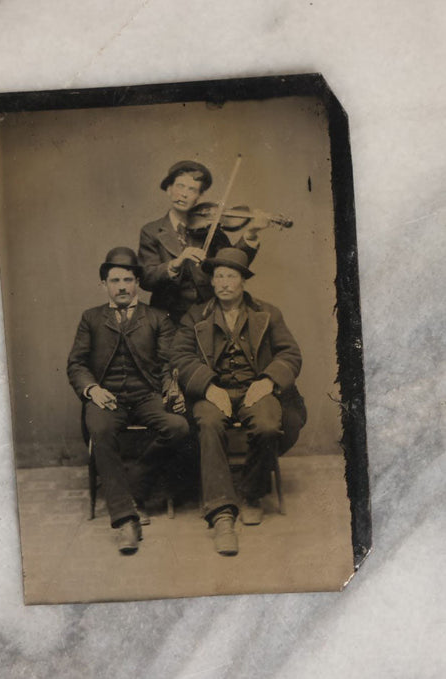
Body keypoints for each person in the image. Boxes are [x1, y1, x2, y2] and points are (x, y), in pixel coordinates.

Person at [170, 248, 306, 556]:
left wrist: (268, 381)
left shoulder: (268, 313)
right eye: (218, 276)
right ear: (213, 281)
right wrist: (207, 386)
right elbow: (179, 356)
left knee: (269, 425)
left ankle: (252, 493)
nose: (224, 283)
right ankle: (221, 513)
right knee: (207, 424)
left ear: (243, 280)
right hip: (213, 391)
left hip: (254, 388)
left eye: (231, 276)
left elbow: (290, 353)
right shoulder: (196, 315)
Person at [67, 247, 189, 554]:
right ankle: (125, 520)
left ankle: (133, 483)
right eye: (115, 280)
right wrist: (92, 389)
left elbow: (168, 363)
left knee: (178, 427)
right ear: (104, 284)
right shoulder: (91, 318)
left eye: (128, 280)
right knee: (101, 429)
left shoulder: (158, 318)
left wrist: (171, 388)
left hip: (147, 395)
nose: (122, 286)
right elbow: (76, 364)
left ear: (137, 283)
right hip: (107, 397)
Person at [138, 160, 264, 324]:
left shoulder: (211, 228)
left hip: (208, 315)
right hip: (167, 318)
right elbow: (146, 278)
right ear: (169, 189)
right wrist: (176, 264)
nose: (183, 194)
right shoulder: (151, 231)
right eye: (180, 186)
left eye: (191, 189)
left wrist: (251, 233)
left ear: (199, 197)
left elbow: (233, 262)